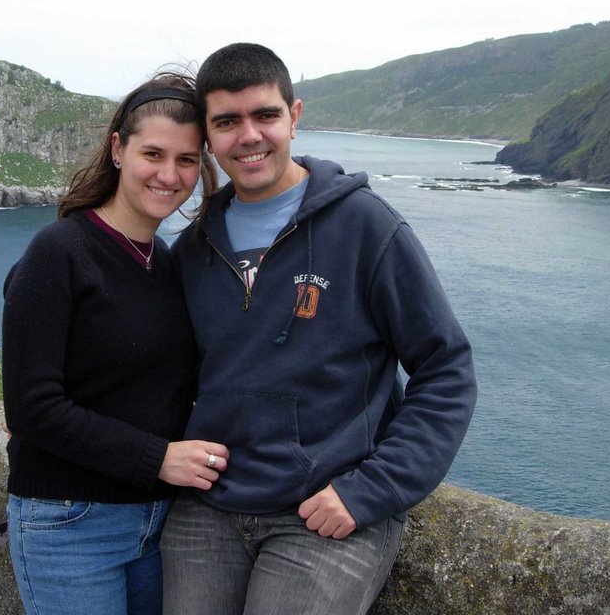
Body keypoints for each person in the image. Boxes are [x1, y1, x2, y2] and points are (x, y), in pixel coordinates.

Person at [162, 43, 477, 615]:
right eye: (227, 122)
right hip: (209, 507)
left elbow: (446, 369)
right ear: (208, 138)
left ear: (295, 116)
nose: (249, 136)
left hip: (327, 507)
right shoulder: (195, 247)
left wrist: (373, 490)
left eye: (266, 116)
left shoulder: (366, 228)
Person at [1, 72, 229, 615]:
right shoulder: (59, 252)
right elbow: (31, 408)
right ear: (118, 150)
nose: (170, 175)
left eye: (187, 160)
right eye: (154, 153)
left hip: (156, 524)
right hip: (70, 522)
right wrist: (158, 459)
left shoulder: (167, 262)